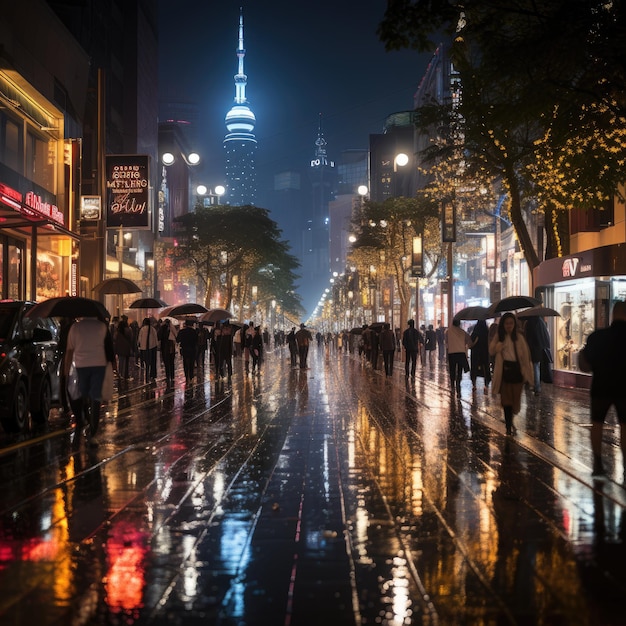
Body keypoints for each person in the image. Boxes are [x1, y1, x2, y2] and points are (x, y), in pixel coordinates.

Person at [578, 300, 626, 478]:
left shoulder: (596, 337)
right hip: (624, 388)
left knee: (597, 424)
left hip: (601, 387)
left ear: (613, 314)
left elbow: (586, 366)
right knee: (625, 425)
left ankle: (597, 464)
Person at [64, 316, 115, 446]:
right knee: (96, 397)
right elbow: (109, 348)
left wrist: (66, 370)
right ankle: (92, 432)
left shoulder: (75, 327)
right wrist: (114, 366)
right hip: (99, 364)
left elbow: (69, 351)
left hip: (81, 366)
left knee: (83, 393)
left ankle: (84, 417)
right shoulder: (102, 327)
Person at [489, 312, 533, 436]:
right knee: (506, 400)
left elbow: (525, 357)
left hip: (517, 371)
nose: (509, 326)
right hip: (504, 372)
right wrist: (498, 346)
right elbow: (491, 350)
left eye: (511, 323)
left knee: (515, 401)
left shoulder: (519, 338)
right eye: (507, 323)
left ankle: (511, 419)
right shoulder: (499, 336)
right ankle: (508, 425)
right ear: (503, 324)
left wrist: (529, 375)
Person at [523, 316, 552, 395]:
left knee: (535, 367)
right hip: (540, 348)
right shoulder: (540, 322)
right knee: (537, 366)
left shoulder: (531, 323)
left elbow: (529, 337)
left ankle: (536, 387)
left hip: (534, 349)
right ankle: (536, 386)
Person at [445, 319, 473, 394]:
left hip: (452, 353)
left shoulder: (448, 331)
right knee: (460, 370)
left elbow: (446, 342)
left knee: (452, 369)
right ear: (459, 324)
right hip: (461, 353)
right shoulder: (463, 332)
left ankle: (452, 384)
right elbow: (469, 340)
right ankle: (458, 383)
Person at [470, 319, 492, 394]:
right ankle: (486, 385)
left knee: (474, 368)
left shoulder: (475, 332)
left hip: (476, 352)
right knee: (486, 368)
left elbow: (471, 342)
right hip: (485, 352)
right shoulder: (487, 332)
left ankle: (474, 385)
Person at [138, 318, 158, 383]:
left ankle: (146, 376)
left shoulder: (142, 329)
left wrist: (139, 346)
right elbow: (156, 338)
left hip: (144, 348)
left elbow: (139, 339)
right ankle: (152, 375)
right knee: (153, 362)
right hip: (152, 347)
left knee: (146, 363)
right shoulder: (153, 329)